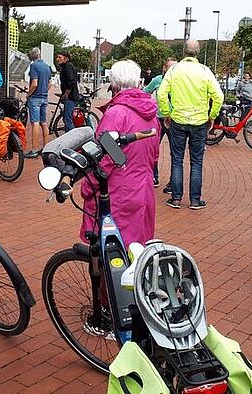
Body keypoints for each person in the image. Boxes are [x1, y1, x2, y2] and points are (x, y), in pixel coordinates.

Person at [80, 59, 160, 255]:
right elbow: (153, 156)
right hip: (143, 189)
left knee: (114, 254)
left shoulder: (117, 114)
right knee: (137, 251)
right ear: (138, 82)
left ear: (113, 84)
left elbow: (106, 159)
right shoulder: (151, 113)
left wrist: (87, 185)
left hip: (119, 192)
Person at [157, 39, 224, 210]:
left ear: (183, 51)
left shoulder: (174, 70)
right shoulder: (205, 71)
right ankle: (195, 200)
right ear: (198, 52)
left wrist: (167, 113)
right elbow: (218, 96)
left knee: (177, 159)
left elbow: (162, 93)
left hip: (178, 120)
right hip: (200, 121)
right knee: (197, 161)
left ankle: (176, 198)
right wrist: (212, 116)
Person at [144, 57, 178, 187]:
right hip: (158, 119)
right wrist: (150, 106)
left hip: (174, 120)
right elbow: (146, 91)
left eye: (175, 67)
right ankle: (154, 176)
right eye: (170, 67)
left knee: (175, 152)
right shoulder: (158, 80)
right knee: (152, 148)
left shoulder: (180, 81)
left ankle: (173, 183)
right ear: (165, 68)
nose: (173, 70)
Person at [25, 47, 51, 159]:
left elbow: (34, 83)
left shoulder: (33, 66)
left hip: (35, 98)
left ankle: (34, 150)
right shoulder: (47, 66)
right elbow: (50, 83)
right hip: (44, 97)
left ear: (32, 56)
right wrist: (44, 91)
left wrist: (29, 94)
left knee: (34, 123)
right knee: (43, 123)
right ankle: (46, 148)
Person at [56, 50, 79, 132]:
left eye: (60, 57)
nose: (57, 59)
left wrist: (66, 94)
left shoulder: (68, 67)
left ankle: (72, 139)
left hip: (71, 97)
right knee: (67, 118)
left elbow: (71, 81)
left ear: (66, 59)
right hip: (70, 96)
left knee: (67, 120)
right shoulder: (66, 67)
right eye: (57, 57)